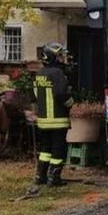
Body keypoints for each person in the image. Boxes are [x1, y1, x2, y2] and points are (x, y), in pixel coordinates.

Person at [30, 43, 74, 191]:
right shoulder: (57, 73)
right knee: (58, 149)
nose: (63, 59)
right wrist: (70, 103)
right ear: (54, 57)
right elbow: (61, 94)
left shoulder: (40, 73)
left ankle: (40, 176)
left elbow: (35, 95)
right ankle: (54, 178)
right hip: (57, 119)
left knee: (45, 149)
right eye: (60, 56)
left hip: (43, 120)